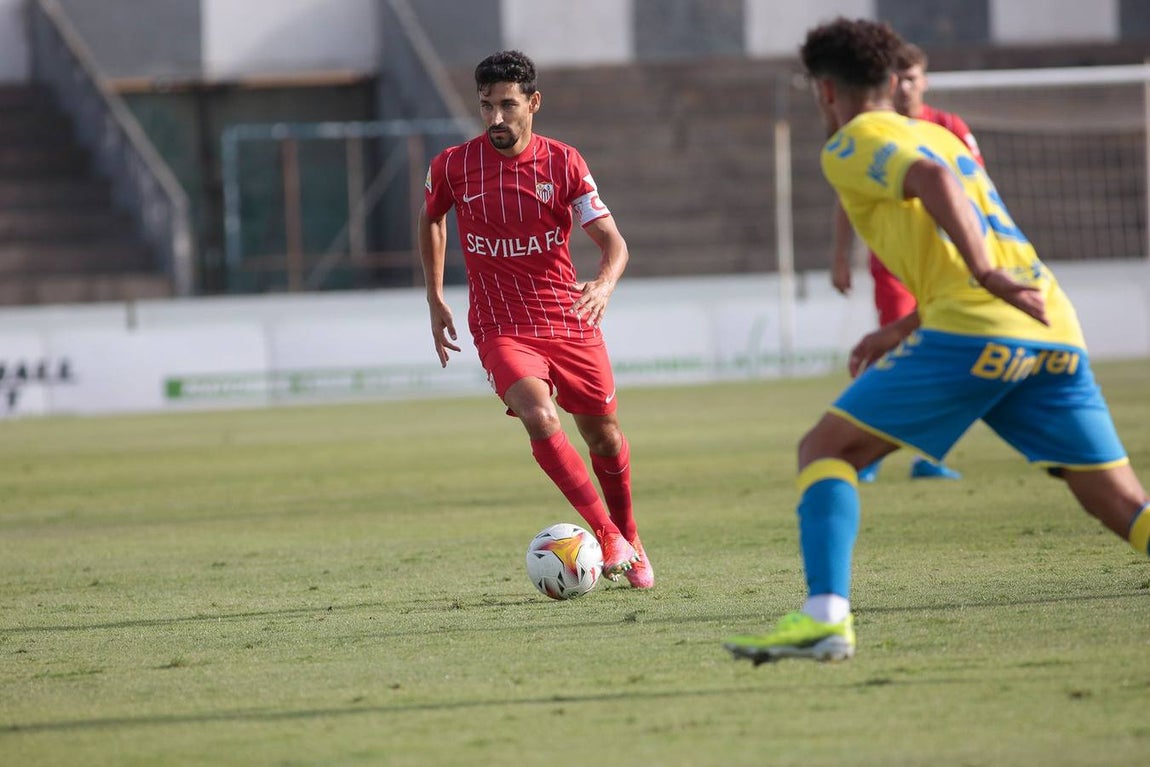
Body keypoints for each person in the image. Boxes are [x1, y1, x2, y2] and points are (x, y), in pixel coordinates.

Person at [724, 17, 1149, 663]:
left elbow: (934, 184)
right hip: (1051, 327)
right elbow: (948, 199)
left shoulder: (854, 139)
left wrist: (983, 275)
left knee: (826, 446)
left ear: (826, 90)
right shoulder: (932, 133)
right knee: (1117, 498)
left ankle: (826, 616)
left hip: (979, 326)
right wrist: (902, 325)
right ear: (893, 79)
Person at [417, 50, 653, 588]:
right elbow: (429, 219)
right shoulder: (453, 165)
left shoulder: (565, 163)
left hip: (567, 319)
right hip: (500, 324)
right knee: (539, 416)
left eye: (507, 105)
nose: (496, 118)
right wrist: (434, 296)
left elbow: (614, 241)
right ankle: (605, 533)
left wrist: (604, 283)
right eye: (486, 107)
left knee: (605, 438)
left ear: (533, 103)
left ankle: (630, 535)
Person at [830, 41, 982, 482]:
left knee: (947, 352)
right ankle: (871, 451)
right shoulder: (874, 135)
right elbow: (846, 197)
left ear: (924, 81)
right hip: (894, 264)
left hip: (948, 264)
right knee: (893, 352)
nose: (905, 87)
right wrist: (841, 255)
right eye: (899, 78)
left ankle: (929, 455)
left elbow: (976, 188)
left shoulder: (949, 126)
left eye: (913, 77)